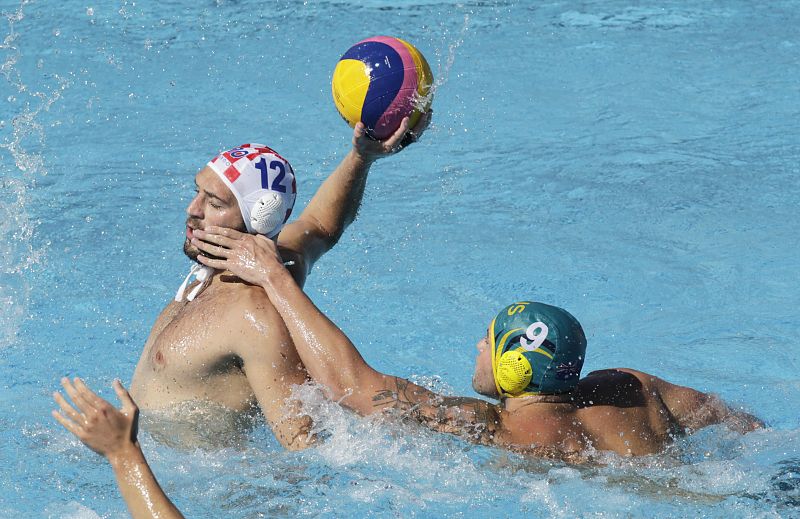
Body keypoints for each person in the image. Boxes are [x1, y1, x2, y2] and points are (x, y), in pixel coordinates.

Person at [186, 227, 764, 459]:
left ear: (513, 366)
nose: (478, 348)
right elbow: (744, 427)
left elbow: (350, 387)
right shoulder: (635, 388)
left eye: (488, 343)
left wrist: (276, 279)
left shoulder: (498, 430)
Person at [126, 114, 429, 450]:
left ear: (259, 219)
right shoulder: (235, 268)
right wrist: (362, 157)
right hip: (139, 458)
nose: (192, 209)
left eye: (214, 203)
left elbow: (306, 446)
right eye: (197, 192)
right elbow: (320, 226)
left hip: (193, 491)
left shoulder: (252, 314)